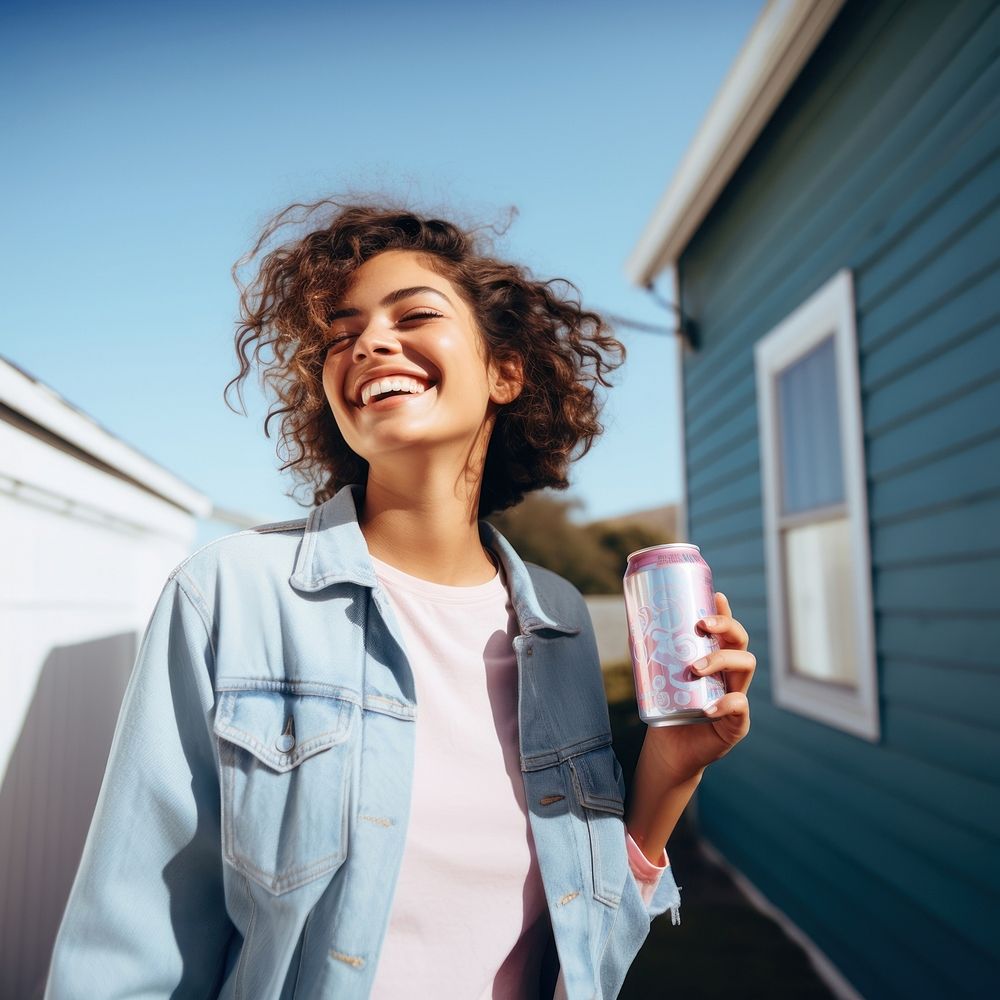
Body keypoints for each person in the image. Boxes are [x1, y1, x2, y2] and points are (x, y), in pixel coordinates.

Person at [45, 201, 755, 999]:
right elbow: (128, 949)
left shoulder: (556, 621)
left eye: (414, 314)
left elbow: (585, 949)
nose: (369, 343)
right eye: (341, 335)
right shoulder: (226, 594)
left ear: (505, 371)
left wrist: (669, 769)